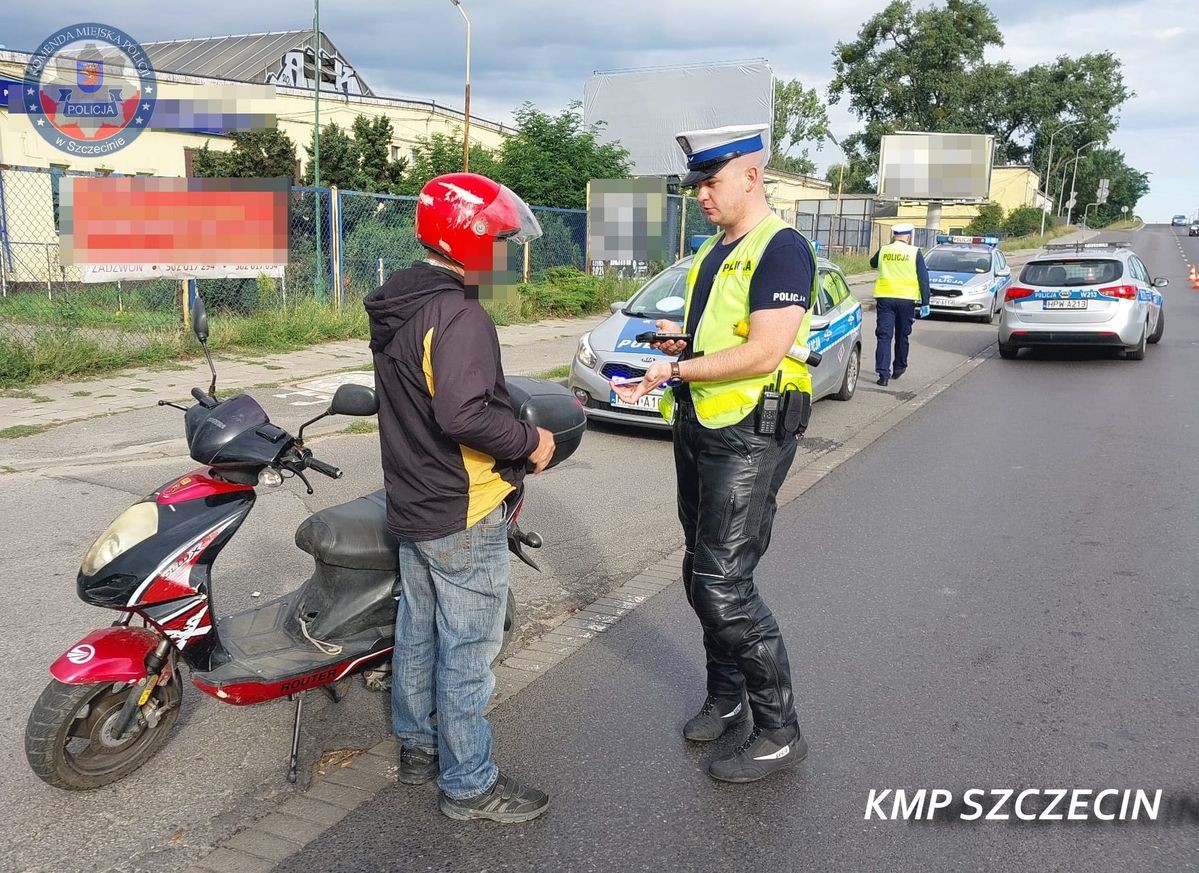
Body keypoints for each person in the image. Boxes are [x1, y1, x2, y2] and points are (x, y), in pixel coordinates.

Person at [614, 124, 815, 784]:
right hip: (701, 423)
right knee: (700, 567)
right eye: (695, 184)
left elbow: (764, 351)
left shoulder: (781, 248)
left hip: (750, 431)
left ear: (751, 176)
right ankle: (726, 697)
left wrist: (676, 370)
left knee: (723, 583)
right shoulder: (710, 250)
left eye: (711, 181)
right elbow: (717, 340)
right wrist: (675, 349)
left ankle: (779, 730)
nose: (700, 194)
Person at [365, 172, 556, 823]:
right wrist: (531, 439)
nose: (504, 256)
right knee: (467, 653)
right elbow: (462, 413)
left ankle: (418, 750)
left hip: (413, 501)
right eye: (499, 242)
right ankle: (469, 783)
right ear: (469, 239)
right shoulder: (459, 315)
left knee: (418, 633)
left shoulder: (402, 304)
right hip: (461, 505)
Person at [870, 223, 931, 386]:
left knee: (884, 336)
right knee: (902, 335)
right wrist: (926, 301)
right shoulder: (914, 252)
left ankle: (883, 374)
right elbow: (923, 278)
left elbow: (873, 263)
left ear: (894, 235)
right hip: (906, 300)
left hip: (885, 298)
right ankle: (899, 367)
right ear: (908, 236)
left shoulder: (884, 250)